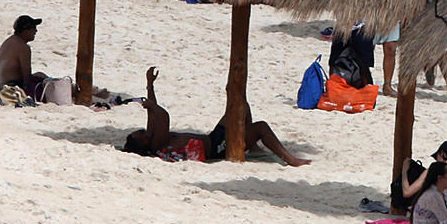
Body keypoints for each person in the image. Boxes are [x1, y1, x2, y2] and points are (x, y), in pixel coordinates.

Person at [123, 67, 309, 166]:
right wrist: (152, 105)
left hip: (214, 138)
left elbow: (153, 114)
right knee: (260, 127)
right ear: (142, 143)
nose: (138, 131)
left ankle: (250, 144)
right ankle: (290, 159)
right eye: (136, 134)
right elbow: (162, 115)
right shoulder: (158, 143)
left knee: (241, 107)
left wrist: (150, 87)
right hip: (218, 148)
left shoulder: (153, 137)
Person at [0, 14, 52, 99]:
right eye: (33, 28)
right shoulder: (23, 47)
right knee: (45, 80)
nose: (36, 31)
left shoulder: (9, 41)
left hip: (1, 88)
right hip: (12, 89)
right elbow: (27, 77)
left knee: (40, 75)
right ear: (25, 30)